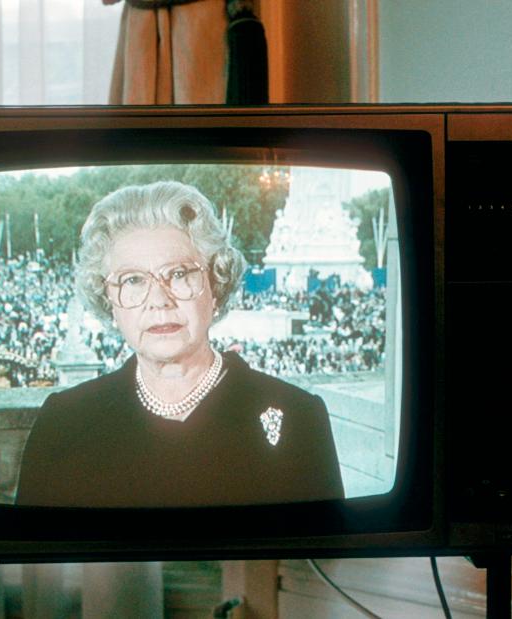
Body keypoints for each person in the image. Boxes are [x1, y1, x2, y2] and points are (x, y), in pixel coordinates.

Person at [17, 181, 344, 507]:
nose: (159, 300)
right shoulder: (62, 423)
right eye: (133, 280)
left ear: (216, 286)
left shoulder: (299, 416)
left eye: (179, 274)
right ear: (109, 302)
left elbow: (323, 558)